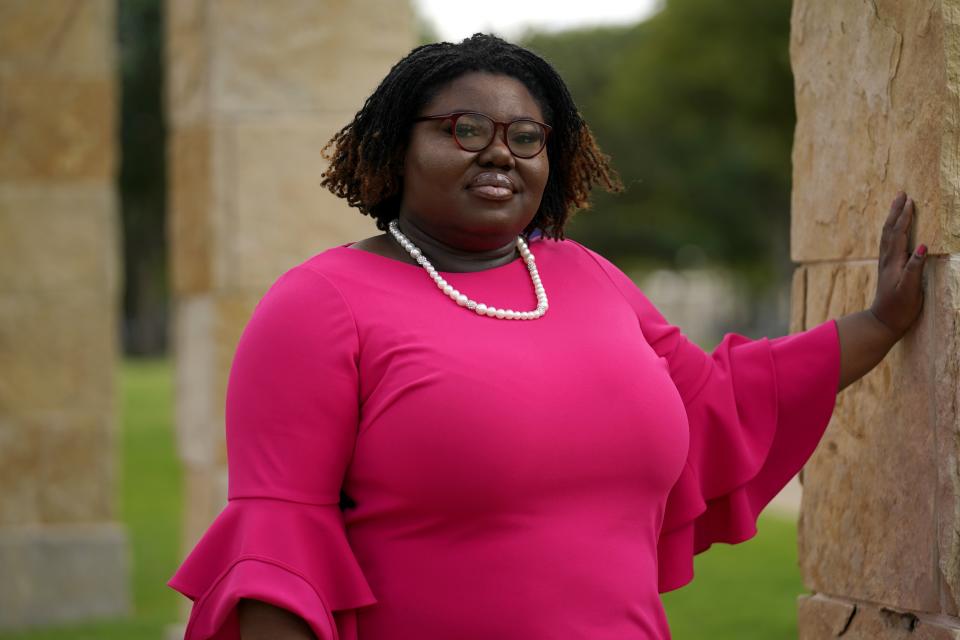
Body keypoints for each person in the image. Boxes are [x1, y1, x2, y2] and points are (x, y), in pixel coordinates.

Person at [168, 34, 927, 640]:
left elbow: (719, 402)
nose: (499, 151)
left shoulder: (586, 275)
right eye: (464, 129)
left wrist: (879, 323)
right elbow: (277, 551)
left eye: (527, 136)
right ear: (395, 148)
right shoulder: (318, 304)